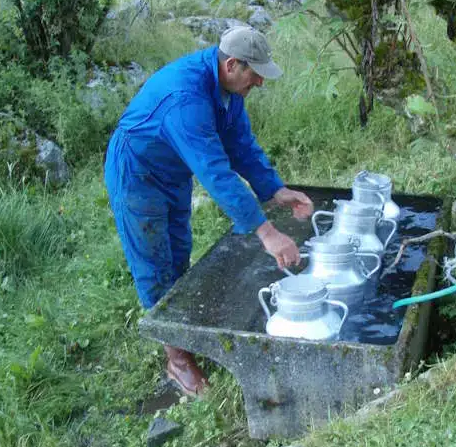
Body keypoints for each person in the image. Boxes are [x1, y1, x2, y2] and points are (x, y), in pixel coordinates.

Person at [104, 26, 313, 397]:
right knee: (154, 261)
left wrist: (275, 189)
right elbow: (215, 172)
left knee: (179, 250)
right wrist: (267, 233)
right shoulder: (186, 99)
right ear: (232, 64)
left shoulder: (228, 90)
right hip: (137, 173)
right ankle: (177, 360)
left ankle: (182, 329)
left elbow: (241, 145)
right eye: (256, 74)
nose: (260, 83)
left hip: (171, 172)